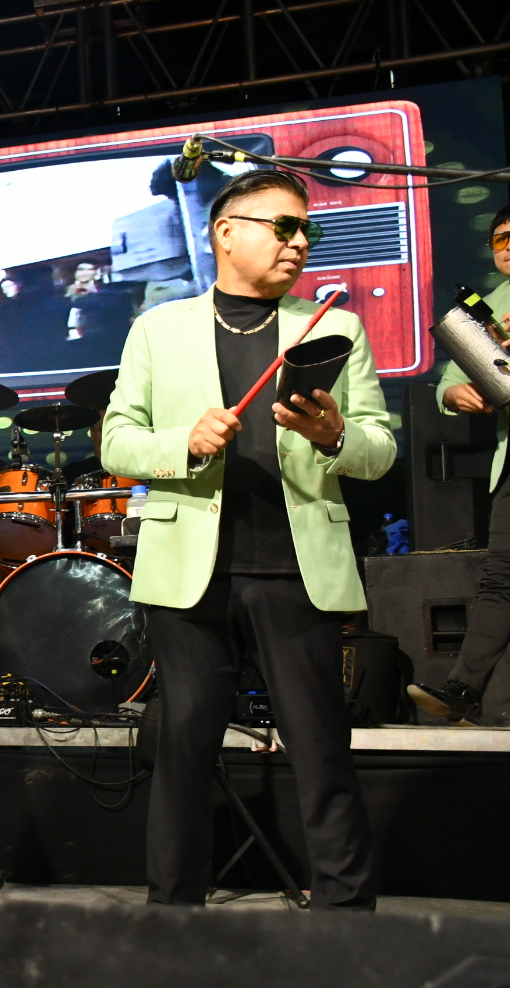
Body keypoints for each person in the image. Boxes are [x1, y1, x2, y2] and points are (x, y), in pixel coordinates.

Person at [101, 170, 395, 910]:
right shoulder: (159, 327)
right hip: (188, 575)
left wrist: (335, 435)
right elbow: (117, 440)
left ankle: (347, 917)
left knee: (322, 751)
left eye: (306, 231)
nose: (299, 242)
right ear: (225, 233)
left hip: (298, 571)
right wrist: (184, 442)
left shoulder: (334, 325)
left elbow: (380, 448)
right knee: (182, 753)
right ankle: (174, 915)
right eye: (283, 227)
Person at [408, 205, 510, 722]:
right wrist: (455, 393)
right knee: (501, 579)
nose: (508, 248)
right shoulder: (492, 304)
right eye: (500, 240)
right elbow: (449, 380)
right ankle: (466, 691)